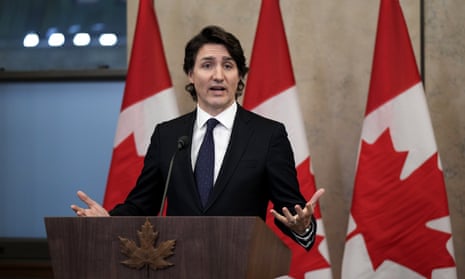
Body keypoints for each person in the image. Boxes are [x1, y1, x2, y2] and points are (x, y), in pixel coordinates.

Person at [71, 25, 325, 249]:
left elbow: (291, 212)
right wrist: (109, 221)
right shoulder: (167, 135)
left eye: (228, 65)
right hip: (176, 265)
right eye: (207, 65)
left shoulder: (268, 135)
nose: (218, 75)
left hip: (242, 265)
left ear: (239, 76)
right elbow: (142, 205)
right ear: (191, 75)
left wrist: (300, 225)